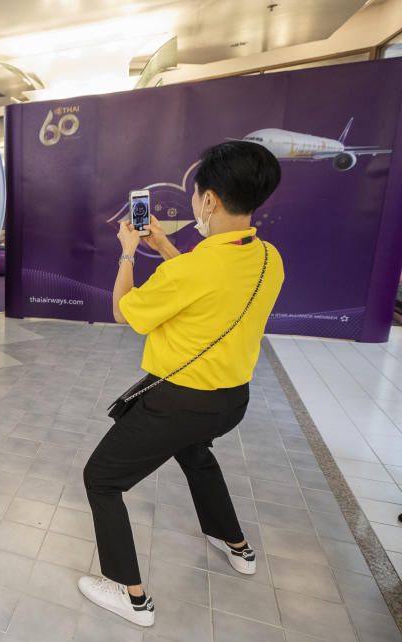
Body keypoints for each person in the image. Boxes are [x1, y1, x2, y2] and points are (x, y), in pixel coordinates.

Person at [78, 141, 284, 627]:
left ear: (209, 200)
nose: (194, 203)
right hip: (231, 401)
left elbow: (124, 310)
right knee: (194, 453)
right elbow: (207, 280)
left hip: (176, 403)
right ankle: (236, 545)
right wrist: (165, 247)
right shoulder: (269, 257)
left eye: (196, 195)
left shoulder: (193, 269)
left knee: (101, 479)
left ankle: (130, 596)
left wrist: (128, 254)